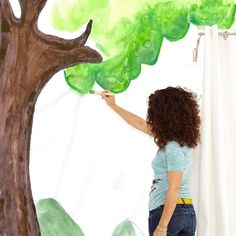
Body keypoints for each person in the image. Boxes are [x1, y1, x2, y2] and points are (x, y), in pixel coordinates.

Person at [100, 86, 201, 236]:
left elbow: (174, 187)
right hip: (185, 213)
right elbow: (141, 124)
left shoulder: (172, 147)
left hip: (168, 212)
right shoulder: (179, 143)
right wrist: (114, 106)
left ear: (163, 115)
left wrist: (162, 226)